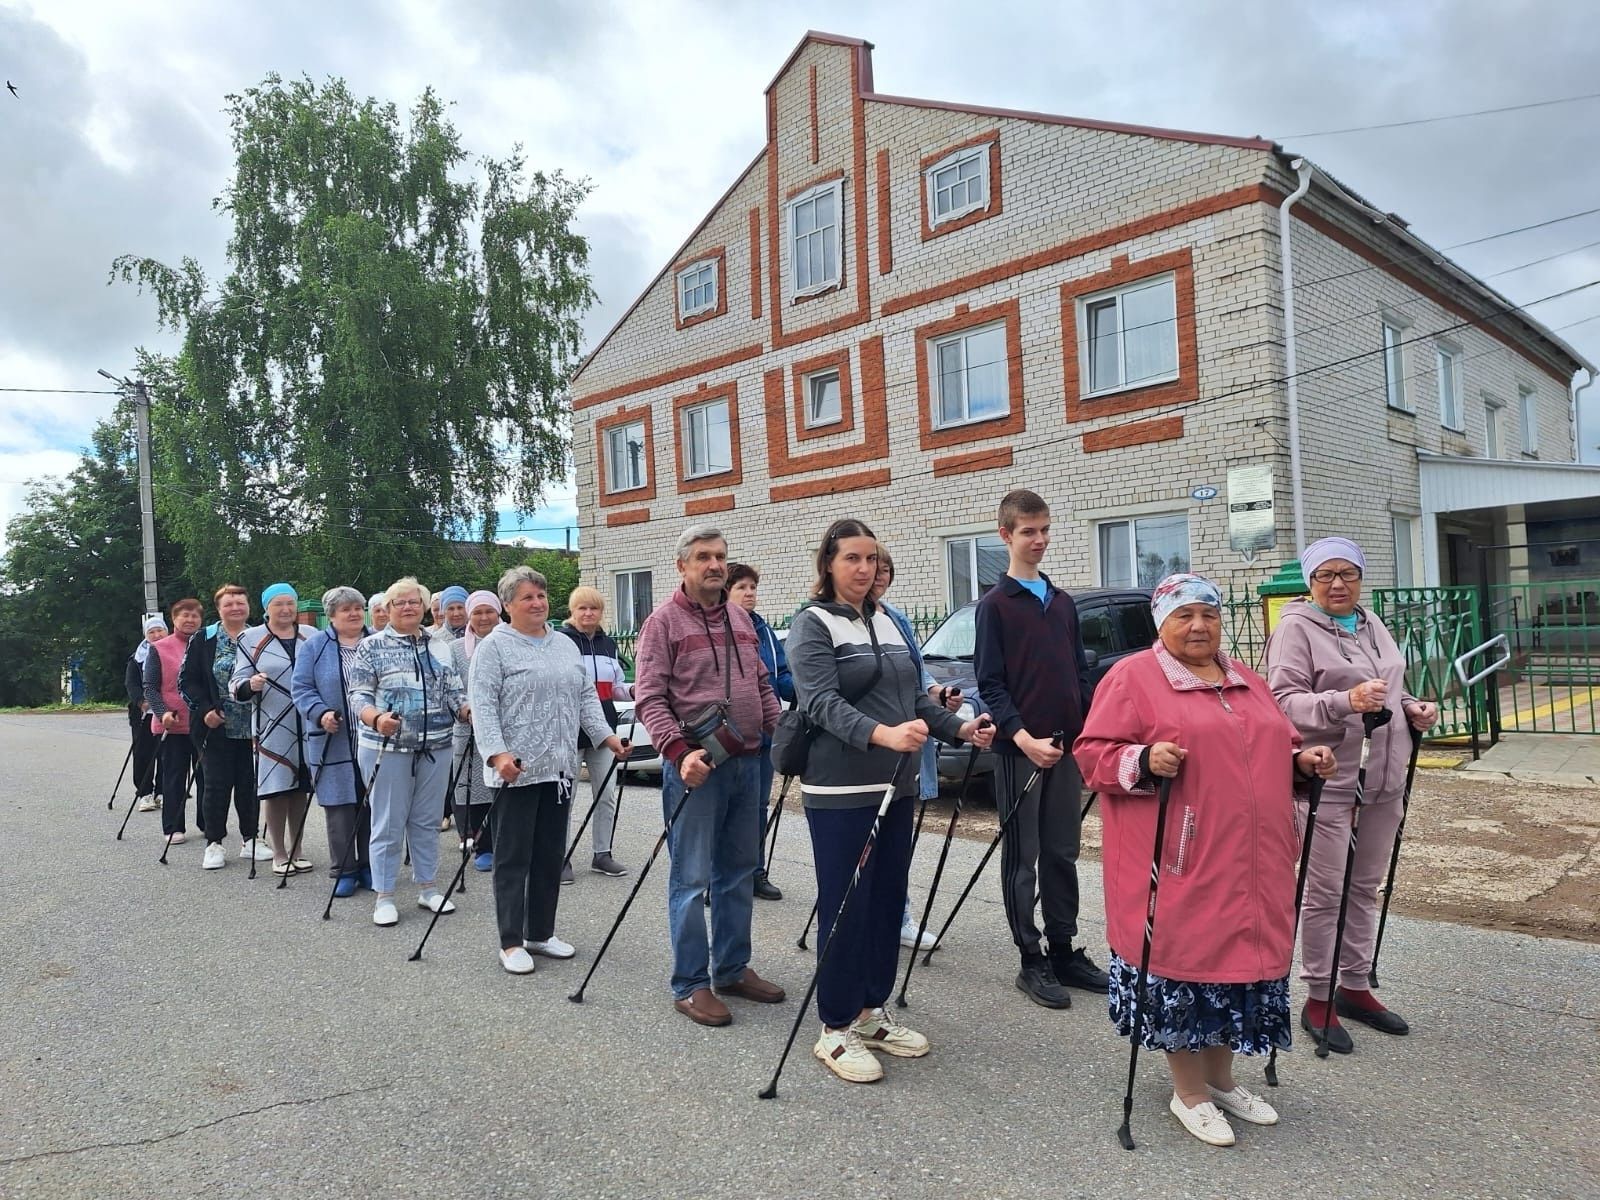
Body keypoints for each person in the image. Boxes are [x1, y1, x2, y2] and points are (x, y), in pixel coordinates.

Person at [1074, 573, 1337, 1146]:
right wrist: (1143, 759)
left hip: (1255, 859)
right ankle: (1187, 1091)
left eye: (1209, 615)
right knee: (1186, 969)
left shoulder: (1243, 677)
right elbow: (1093, 756)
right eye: (1183, 616)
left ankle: (1221, 1080)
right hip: (1179, 858)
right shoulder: (1132, 678)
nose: (1198, 626)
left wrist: (1302, 762)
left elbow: (1277, 744)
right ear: (1160, 622)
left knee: (1237, 967)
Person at [786, 519, 995, 1082]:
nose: (864, 569)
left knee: (885, 898)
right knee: (846, 902)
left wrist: (959, 728)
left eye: (872, 559)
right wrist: (884, 735)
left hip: (895, 785)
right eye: (852, 558)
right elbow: (820, 704)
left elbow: (913, 701)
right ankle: (833, 1028)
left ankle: (871, 1012)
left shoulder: (887, 619)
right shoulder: (811, 623)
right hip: (840, 788)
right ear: (828, 562)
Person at [1265, 536, 1438, 1053]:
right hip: (1329, 781)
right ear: (1311, 582)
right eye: (1325, 575)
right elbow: (1281, 701)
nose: (1338, 584)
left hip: (1384, 777)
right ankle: (1318, 995)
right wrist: (1345, 701)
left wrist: (1412, 706)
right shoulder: (1295, 628)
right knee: (1325, 893)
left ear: (1361, 578)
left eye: (1348, 574)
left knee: (1365, 888)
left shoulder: (1370, 622)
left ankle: (1356, 985)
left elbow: (1387, 685)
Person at [633, 523, 786, 1027]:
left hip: (749, 763)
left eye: (720, 556)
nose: (715, 565)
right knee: (691, 877)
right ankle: (690, 983)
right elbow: (649, 699)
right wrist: (677, 753)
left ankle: (732, 968)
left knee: (739, 871)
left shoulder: (741, 619)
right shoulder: (663, 623)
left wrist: (778, 734)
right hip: (697, 768)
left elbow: (761, 683)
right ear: (683, 565)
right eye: (703, 557)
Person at [974, 488, 1108, 1007]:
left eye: (1045, 529)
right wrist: (1022, 737)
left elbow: (1078, 673)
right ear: (1006, 535)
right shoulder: (995, 606)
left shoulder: (1063, 602)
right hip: (1019, 751)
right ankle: (1031, 960)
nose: (1039, 540)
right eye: (1029, 531)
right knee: (1022, 856)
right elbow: (991, 683)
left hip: (1066, 749)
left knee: (1062, 852)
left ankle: (1063, 949)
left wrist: (1092, 725)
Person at [470, 567, 628, 974]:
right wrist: (496, 754)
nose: (538, 603)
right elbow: (483, 707)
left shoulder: (563, 645)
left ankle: (540, 932)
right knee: (512, 856)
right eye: (528, 597)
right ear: (508, 605)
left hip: (558, 768)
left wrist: (606, 737)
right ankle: (510, 941)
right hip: (516, 771)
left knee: (548, 854)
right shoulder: (495, 648)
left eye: (541, 596)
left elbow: (585, 697)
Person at [346, 576, 470, 927]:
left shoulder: (439, 645)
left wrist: (467, 710)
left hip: (436, 745)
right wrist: (376, 717)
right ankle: (384, 895)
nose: (408, 607)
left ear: (424, 606)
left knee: (427, 820)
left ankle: (428, 887)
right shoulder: (371, 646)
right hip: (387, 746)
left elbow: (454, 691)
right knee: (387, 820)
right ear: (387, 609)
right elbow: (358, 695)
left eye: (414, 601)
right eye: (399, 602)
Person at [870, 547, 961, 950]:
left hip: (905, 741)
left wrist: (939, 694)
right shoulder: (831, 620)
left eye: (886, 569)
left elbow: (916, 673)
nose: (879, 576)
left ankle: (898, 915)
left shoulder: (897, 618)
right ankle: (862, 912)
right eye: (874, 568)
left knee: (895, 841)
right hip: (866, 747)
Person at [180, 584, 269, 870]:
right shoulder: (203, 638)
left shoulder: (259, 637)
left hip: (253, 724)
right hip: (215, 722)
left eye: (240, 603)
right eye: (228, 604)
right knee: (216, 784)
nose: (235, 608)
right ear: (219, 609)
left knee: (249, 783)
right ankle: (214, 842)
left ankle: (251, 838)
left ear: (249, 607)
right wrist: (206, 709)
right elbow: (188, 681)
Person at [292, 586, 372, 897]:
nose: (353, 613)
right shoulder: (314, 646)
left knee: (371, 804)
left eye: (357, 607)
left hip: (373, 738)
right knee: (339, 807)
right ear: (332, 616)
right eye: (345, 609)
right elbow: (301, 687)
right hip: (332, 738)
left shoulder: (377, 641)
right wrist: (320, 712)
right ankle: (344, 869)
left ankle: (369, 866)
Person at [232, 583, 312, 876]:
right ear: (267, 607)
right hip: (272, 725)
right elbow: (236, 681)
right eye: (278, 604)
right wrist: (249, 685)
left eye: (290, 603)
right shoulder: (250, 638)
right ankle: (279, 853)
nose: (286, 610)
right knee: (276, 788)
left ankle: (298, 850)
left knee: (300, 789)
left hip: (308, 725)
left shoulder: (311, 636)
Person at [724, 564, 792, 902]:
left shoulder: (764, 630)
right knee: (725, 808)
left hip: (765, 736)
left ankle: (755, 871)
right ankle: (718, 875)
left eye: (753, 587)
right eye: (741, 587)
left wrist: (813, 690)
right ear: (726, 592)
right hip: (727, 738)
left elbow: (782, 677)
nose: (750, 593)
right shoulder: (718, 627)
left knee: (757, 806)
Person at [557, 586, 632, 880]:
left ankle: (602, 854)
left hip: (604, 731)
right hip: (570, 732)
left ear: (601, 612)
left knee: (606, 795)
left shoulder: (609, 645)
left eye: (594, 609)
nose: (588, 614)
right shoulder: (561, 642)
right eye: (582, 609)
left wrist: (634, 690)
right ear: (572, 612)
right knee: (567, 797)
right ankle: (559, 857)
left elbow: (613, 688)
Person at [447, 589, 502, 873]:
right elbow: (450, 687)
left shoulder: (509, 642)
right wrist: (464, 707)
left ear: (499, 612)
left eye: (488, 611)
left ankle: (507, 844)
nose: (483, 617)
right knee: (475, 790)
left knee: (503, 788)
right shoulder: (456, 650)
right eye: (477, 612)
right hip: (469, 729)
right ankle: (483, 846)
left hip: (505, 730)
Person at [143, 598, 205, 843]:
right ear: (174, 619)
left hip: (203, 722)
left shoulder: (207, 645)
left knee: (207, 777)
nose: (189, 620)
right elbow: (150, 686)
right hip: (172, 722)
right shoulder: (159, 647)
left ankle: (208, 822)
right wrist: (161, 713)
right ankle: (173, 826)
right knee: (174, 776)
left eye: (194, 616)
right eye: (184, 616)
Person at [125, 614, 166, 812]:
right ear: (146, 635)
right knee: (143, 754)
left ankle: (163, 791)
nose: (157, 635)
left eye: (160, 630)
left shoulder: (176, 651)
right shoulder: (137, 657)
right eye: (152, 632)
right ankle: (145, 793)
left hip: (169, 711)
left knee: (168, 753)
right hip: (144, 713)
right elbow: (131, 683)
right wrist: (141, 701)